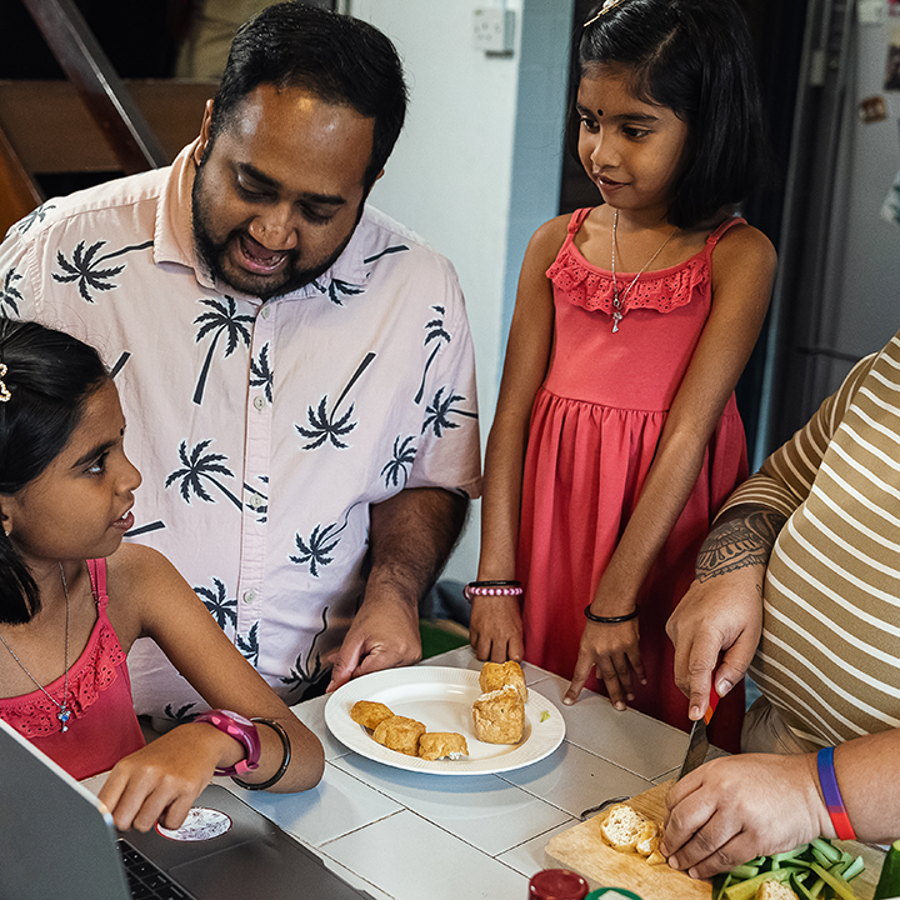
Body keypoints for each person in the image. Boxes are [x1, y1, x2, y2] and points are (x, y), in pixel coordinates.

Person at [0, 2, 481, 722]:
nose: (272, 232)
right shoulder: (58, 258)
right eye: (252, 185)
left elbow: (428, 476)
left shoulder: (419, 288)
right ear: (208, 126)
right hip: (90, 730)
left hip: (320, 721)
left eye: (319, 210)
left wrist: (396, 587)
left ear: (370, 182)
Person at [468, 0, 776, 751]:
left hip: (659, 544)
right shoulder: (552, 244)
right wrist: (496, 582)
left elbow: (689, 435)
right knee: (530, 726)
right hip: (549, 534)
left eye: (634, 129)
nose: (600, 152)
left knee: (643, 750)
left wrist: (615, 600)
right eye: (588, 119)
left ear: (707, 126)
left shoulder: (740, 257)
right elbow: (509, 418)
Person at [0, 320, 324, 832]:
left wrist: (219, 736)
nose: (130, 477)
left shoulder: (132, 579)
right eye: (93, 465)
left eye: (120, 443)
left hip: (133, 867)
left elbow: (303, 754)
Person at [662, 329, 900, 877]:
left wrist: (811, 793)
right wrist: (730, 571)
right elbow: (778, 486)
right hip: (764, 777)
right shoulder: (886, 366)